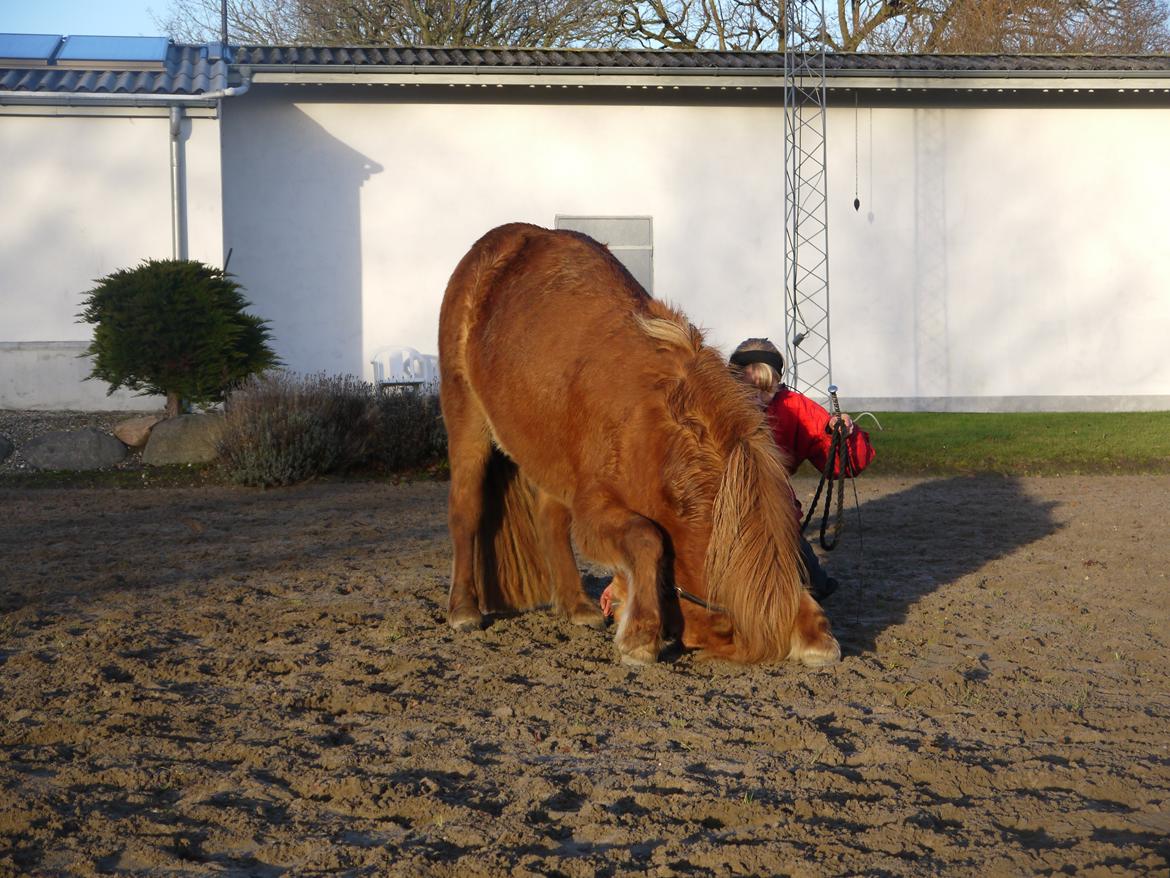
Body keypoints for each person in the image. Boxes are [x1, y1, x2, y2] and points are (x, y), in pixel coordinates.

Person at [728, 337, 875, 601]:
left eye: (766, 390)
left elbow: (845, 464)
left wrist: (840, 436)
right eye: (749, 390)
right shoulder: (713, 406)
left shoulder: (792, 406)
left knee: (813, 584)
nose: (759, 399)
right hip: (723, 510)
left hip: (776, 511)